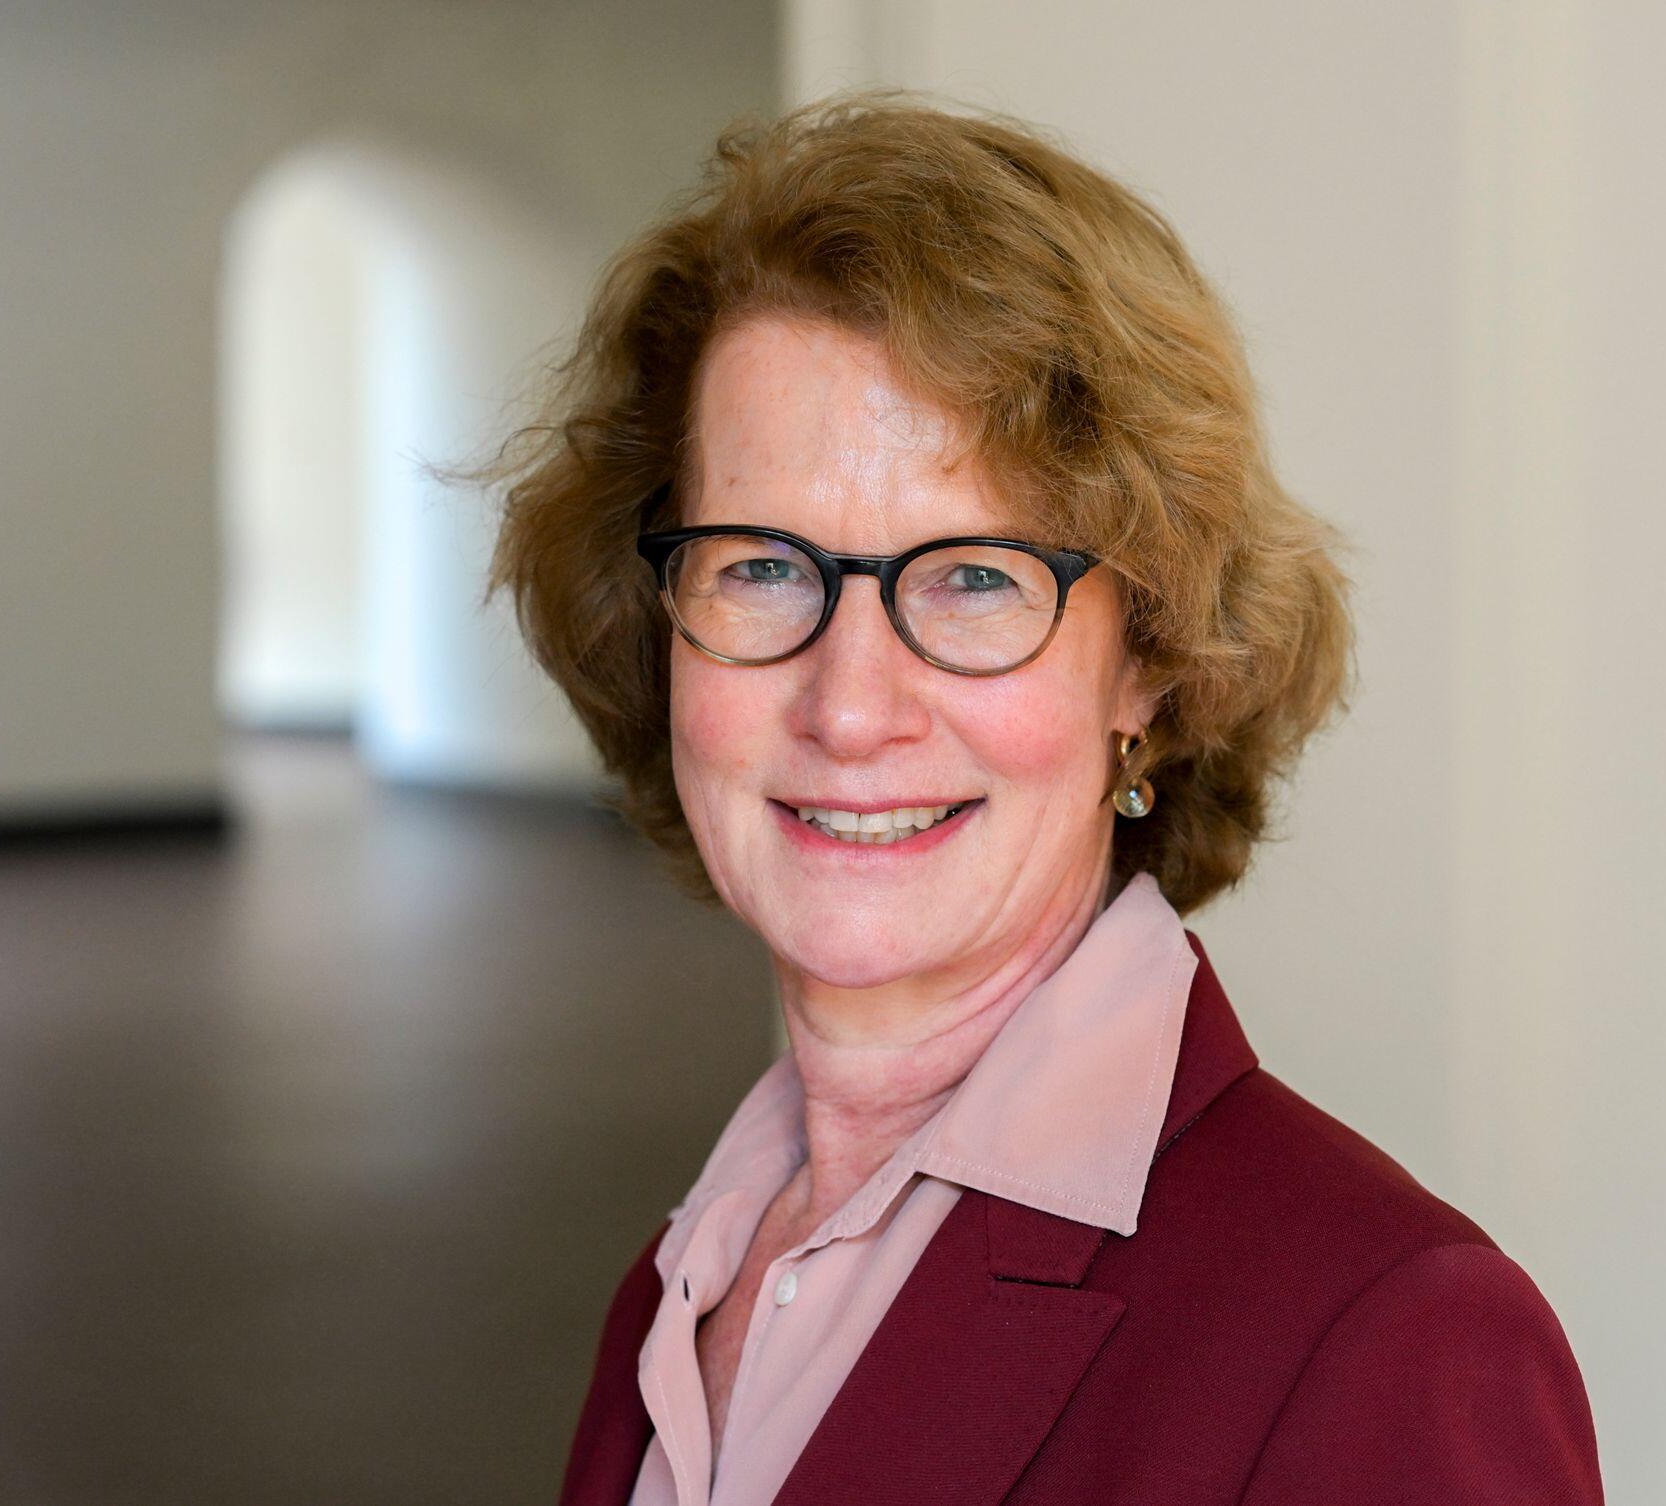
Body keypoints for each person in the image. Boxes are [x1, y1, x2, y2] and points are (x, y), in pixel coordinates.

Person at [483, 92, 1603, 1506]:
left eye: (974, 577)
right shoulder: (684, 1276)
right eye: (762, 565)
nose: (850, 707)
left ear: (1148, 664)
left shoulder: (1389, 1337)